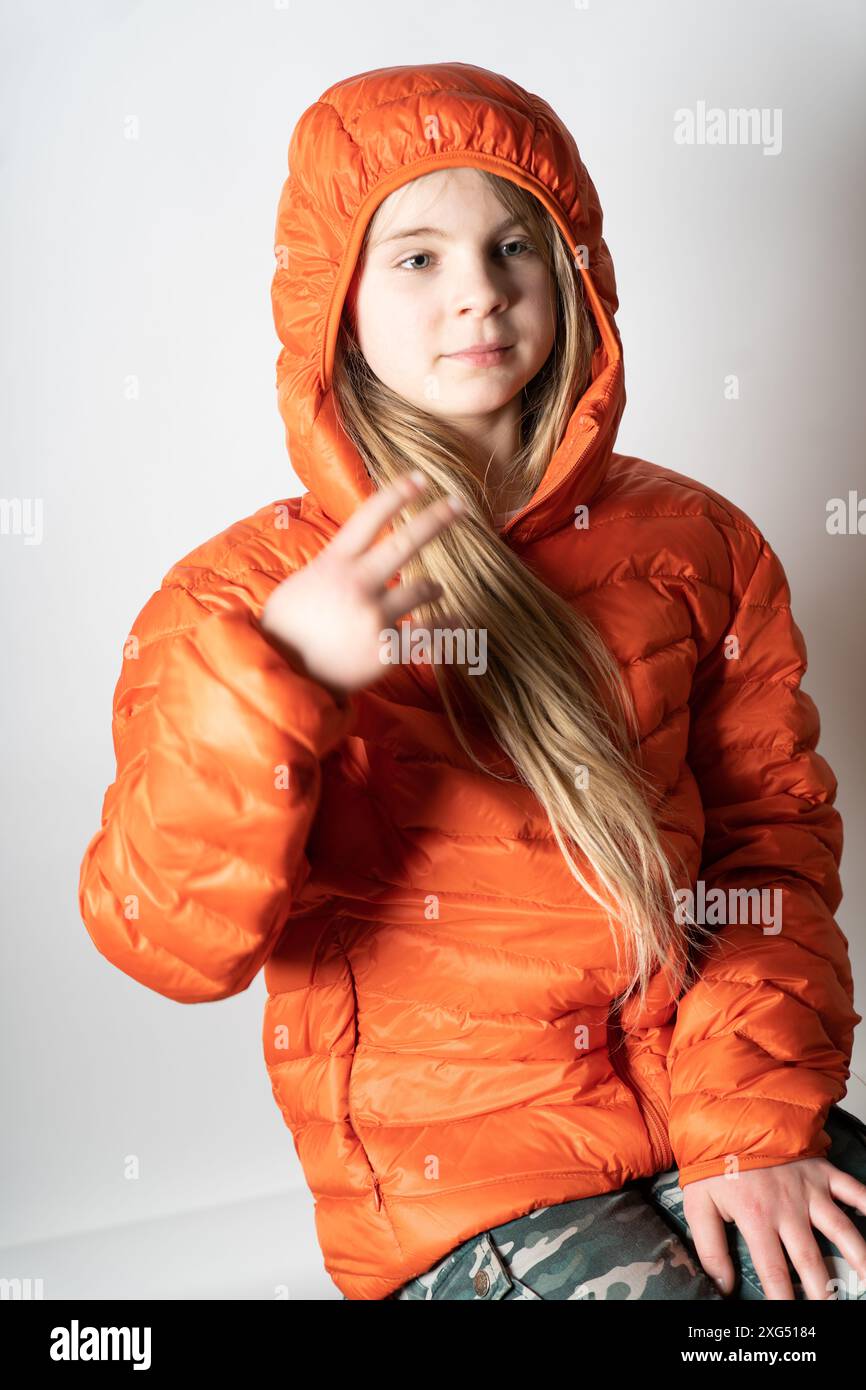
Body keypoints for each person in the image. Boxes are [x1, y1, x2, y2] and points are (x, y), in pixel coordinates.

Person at [78, 61, 866, 1301]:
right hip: (465, 1189)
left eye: (515, 244)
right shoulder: (239, 599)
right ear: (331, 299)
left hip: (706, 1104)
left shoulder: (700, 546)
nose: (479, 294)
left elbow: (767, 858)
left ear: (573, 270)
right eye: (416, 258)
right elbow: (164, 940)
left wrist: (747, 1127)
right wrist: (280, 679)